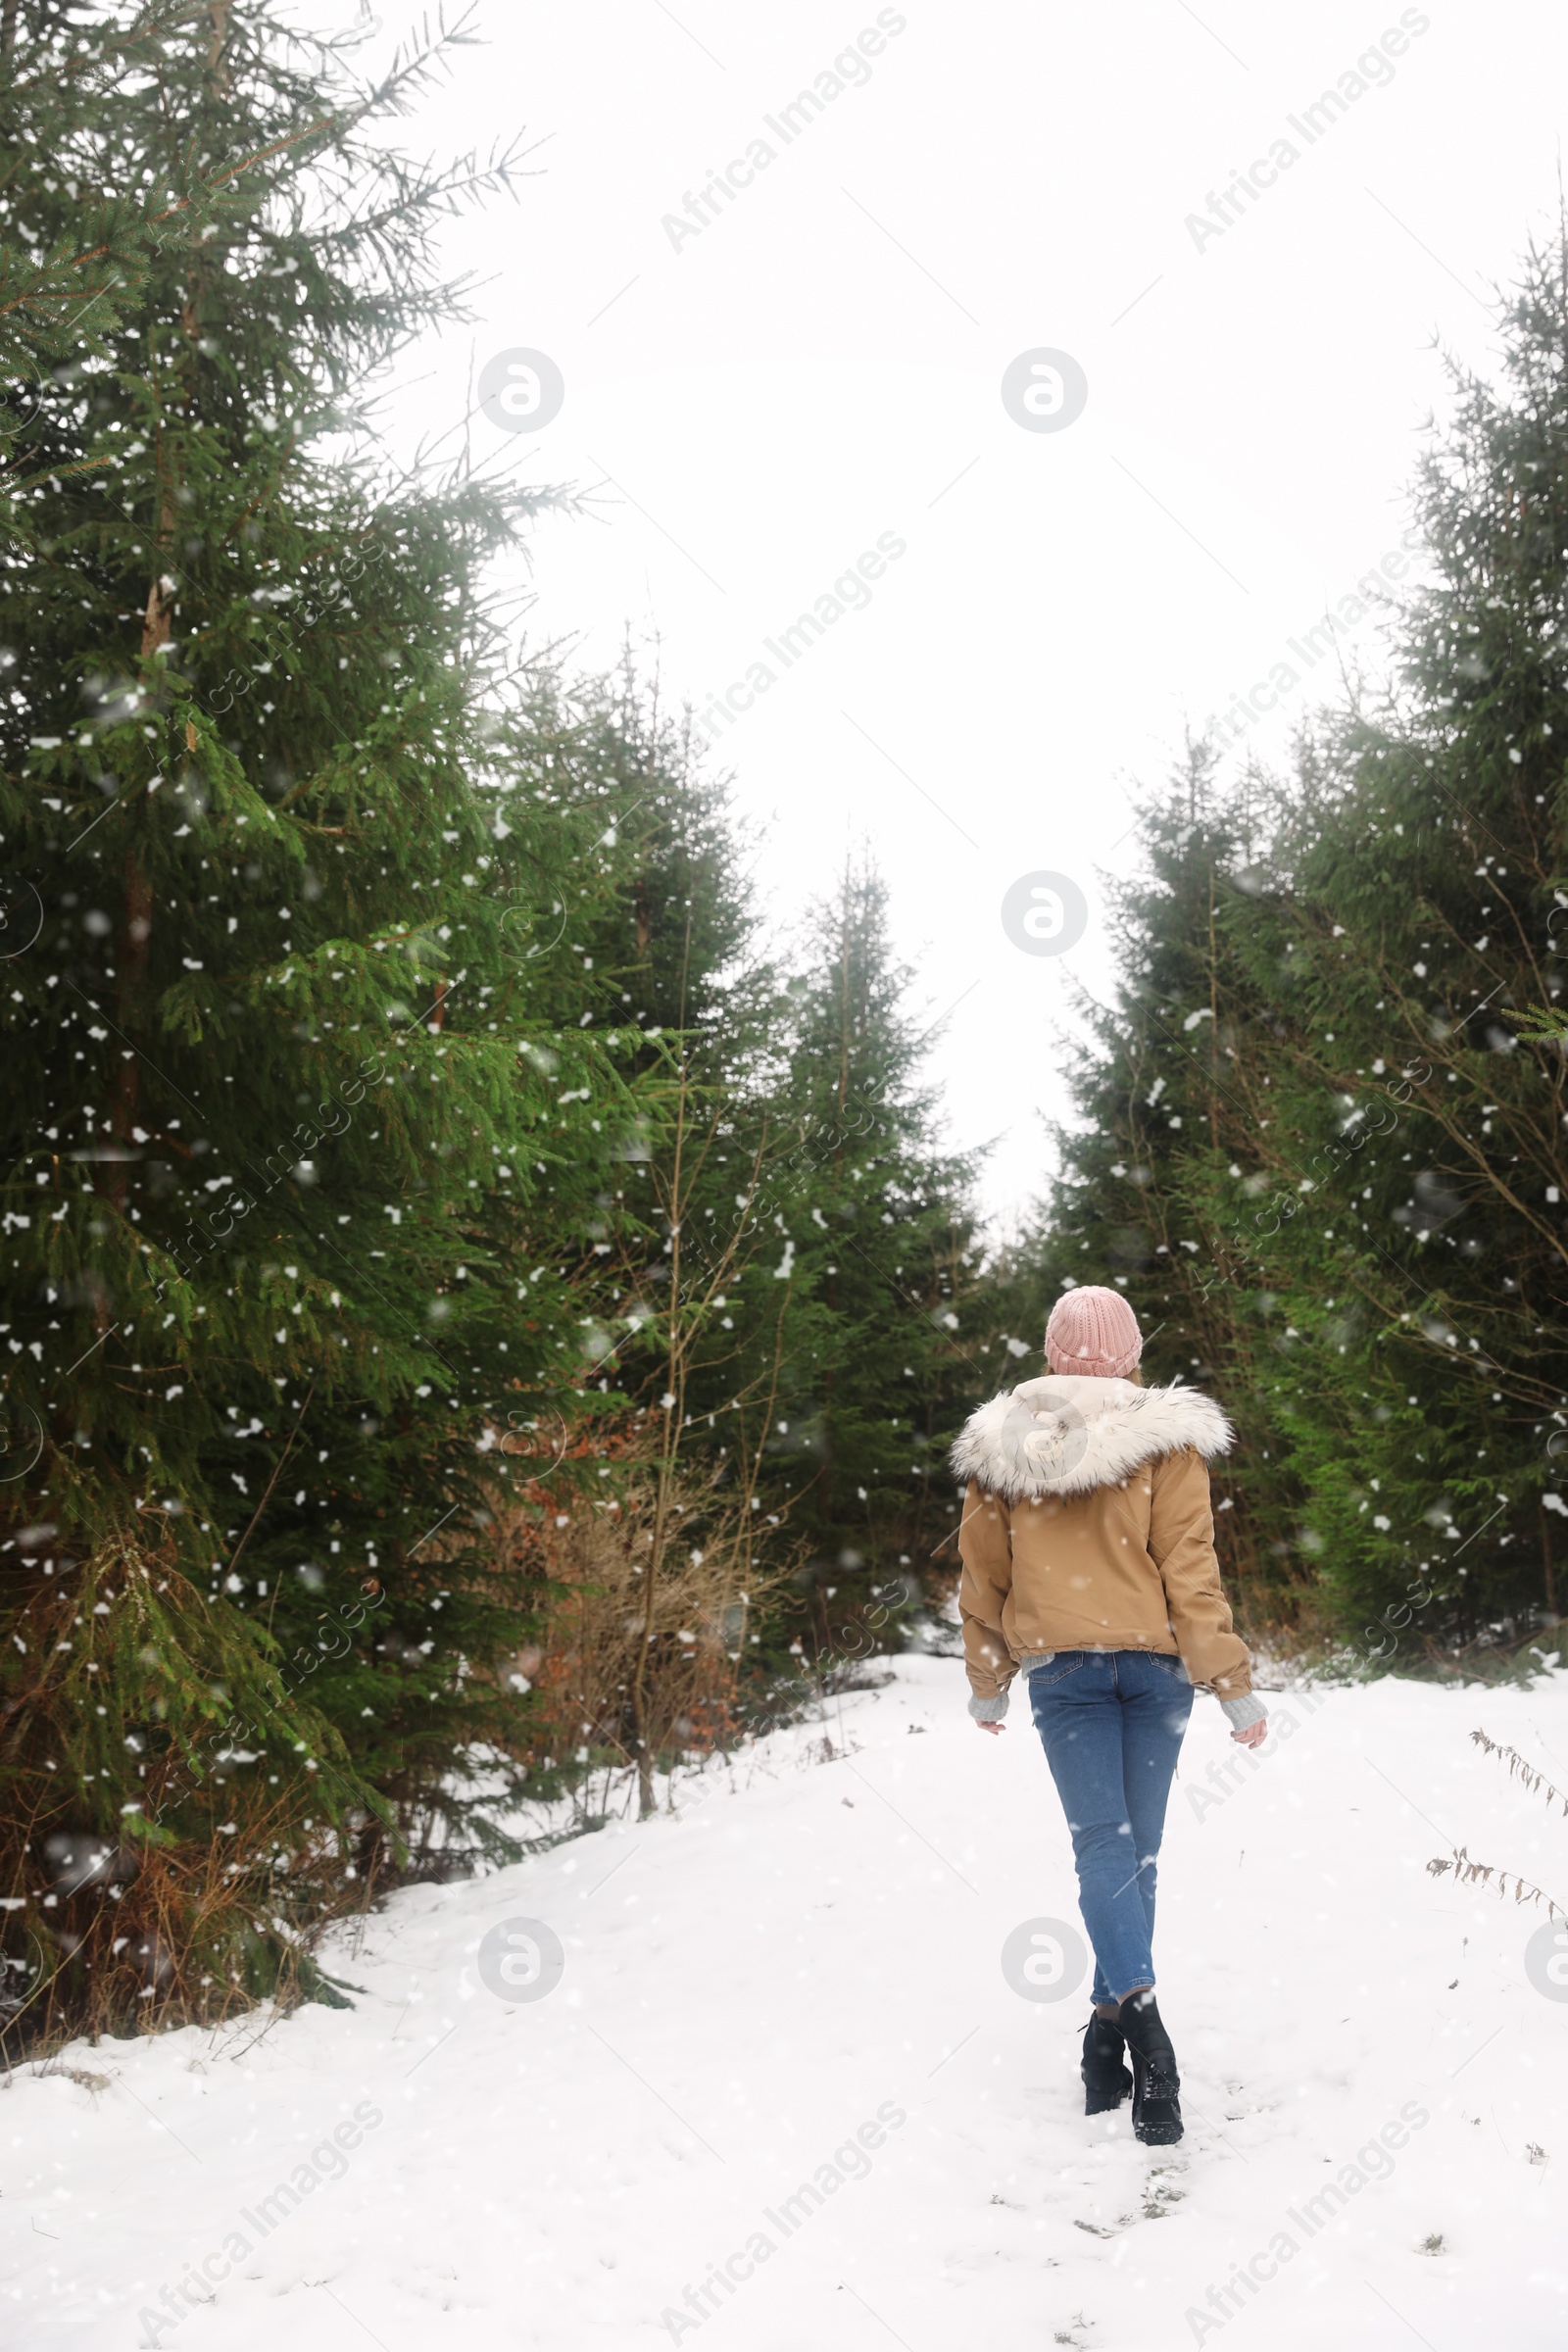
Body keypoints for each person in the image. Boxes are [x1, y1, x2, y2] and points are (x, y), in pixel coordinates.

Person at [953, 1286, 1266, 2146]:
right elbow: (1190, 1574)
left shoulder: (1001, 1449)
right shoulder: (1167, 1442)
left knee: (1105, 1847)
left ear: (1054, 1354)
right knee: (1141, 1854)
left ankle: (1113, 2028)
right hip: (1158, 1671)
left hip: (1065, 1676)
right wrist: (1229, 1683)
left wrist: (989, 1680)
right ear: (1130, 1355)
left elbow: (984, 1578)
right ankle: (1142, 2036)